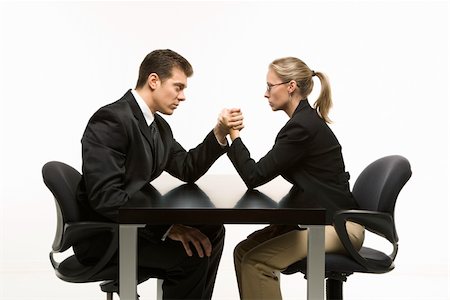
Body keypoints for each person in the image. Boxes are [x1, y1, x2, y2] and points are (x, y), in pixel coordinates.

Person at [75, 49, 242, 299]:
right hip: (108, 235)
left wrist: (219, 132)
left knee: (213, 229)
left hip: (133, 225)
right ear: (154, 81)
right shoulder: (112, 119)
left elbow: (186, 168)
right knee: (191, 258)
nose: (183, 96)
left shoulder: (158, 127)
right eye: (178, 87)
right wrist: (166, 228)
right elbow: (106, 198)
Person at [220, 56, 365, 299]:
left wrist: (233, 134)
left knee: (257, 262)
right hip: (329, 221)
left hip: (339, 229)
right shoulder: (303, 123)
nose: (265, 94)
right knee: (244, 251)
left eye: (270, 86)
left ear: (291, 86)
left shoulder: (302, 127)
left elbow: (254, 175)